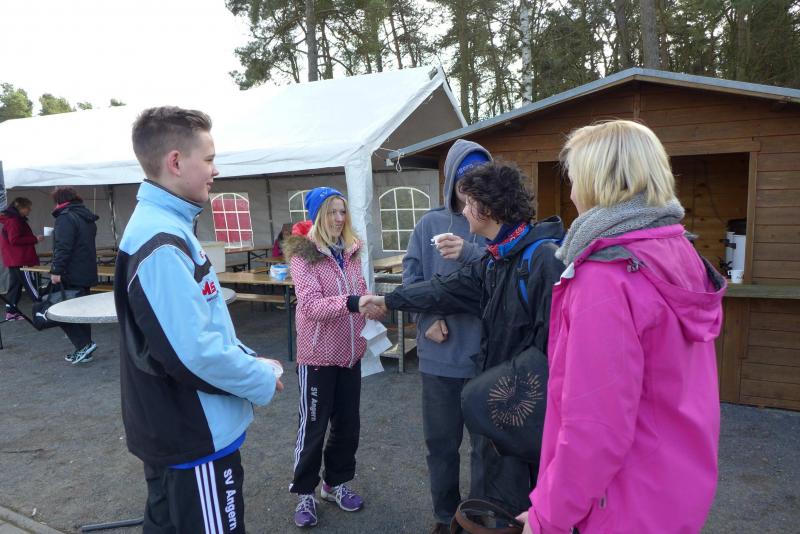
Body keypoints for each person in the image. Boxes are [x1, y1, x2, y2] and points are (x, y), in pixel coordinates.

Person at [519, 120, 725, 534]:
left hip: (622, 504)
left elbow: (595, 427)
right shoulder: (678, 251)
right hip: (674, 490)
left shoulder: (606, 276)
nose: (572, 193)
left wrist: (547, 516)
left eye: (575, 179)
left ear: (597, 183)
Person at [117, 106, 283, 533]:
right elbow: (194, 354)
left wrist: (247, 358)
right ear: (176, 162)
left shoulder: (165, 227)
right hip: (194, 436)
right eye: (208, 159)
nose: (215, 170)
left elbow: (197, 328)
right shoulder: (161, 242)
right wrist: (259, 377)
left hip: (176, 429)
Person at [367, 161, 565, 515]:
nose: (464, 210)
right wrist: (389, 300)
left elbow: (558, 351)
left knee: (516, 498)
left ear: (486, 208)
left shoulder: (541, 259)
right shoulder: (496, 258)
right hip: (502, 399)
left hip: (525, 412)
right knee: (494, 491)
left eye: (470, 202)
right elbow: (443, 289)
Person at [403, 139, 490, 534]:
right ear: (451, 180)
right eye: (464, 179)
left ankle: (480, 516)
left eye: (480, 179)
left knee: (487, 447)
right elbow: (412, 278)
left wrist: (471, 250)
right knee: (441, 446)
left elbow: (506, 277)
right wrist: (425, 318)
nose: (470, 188)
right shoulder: (429, 224)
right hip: (439, 359)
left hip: (487, 357)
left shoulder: (497, 225)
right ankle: (445, 517)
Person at [282, 187, 380, 528]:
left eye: (342, 212)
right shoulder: (304, 256)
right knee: (313, 428)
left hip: (350, 355)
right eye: (332, 212)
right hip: (318, 358)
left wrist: (371, 305)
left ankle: (335, 483)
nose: (339, 218)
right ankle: (304, 492)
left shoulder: (351, 251)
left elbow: (360, 290)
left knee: (347, 426)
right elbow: (311, 306)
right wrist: (354, 303)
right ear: (318, 216)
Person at [50, 187, 99, 364]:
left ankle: (84, 345)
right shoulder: (85, 216)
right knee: (82, 311)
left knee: (59, 310)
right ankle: (85, 349)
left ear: (59, 200)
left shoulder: (65, 217)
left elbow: (63, 247)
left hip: (70, 272)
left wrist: (56, 270)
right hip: (86, 270)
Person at [0, 197, 44, 320]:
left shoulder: (11, 220)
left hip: (14, 259)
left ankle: (11, 312)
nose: (30, 210)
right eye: (28, 207)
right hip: (21, 259)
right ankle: (42, 311)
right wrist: (34, 239)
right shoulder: (14, 221)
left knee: (15, 286)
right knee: (32, 286)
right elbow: (14, 240)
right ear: (20, 208)